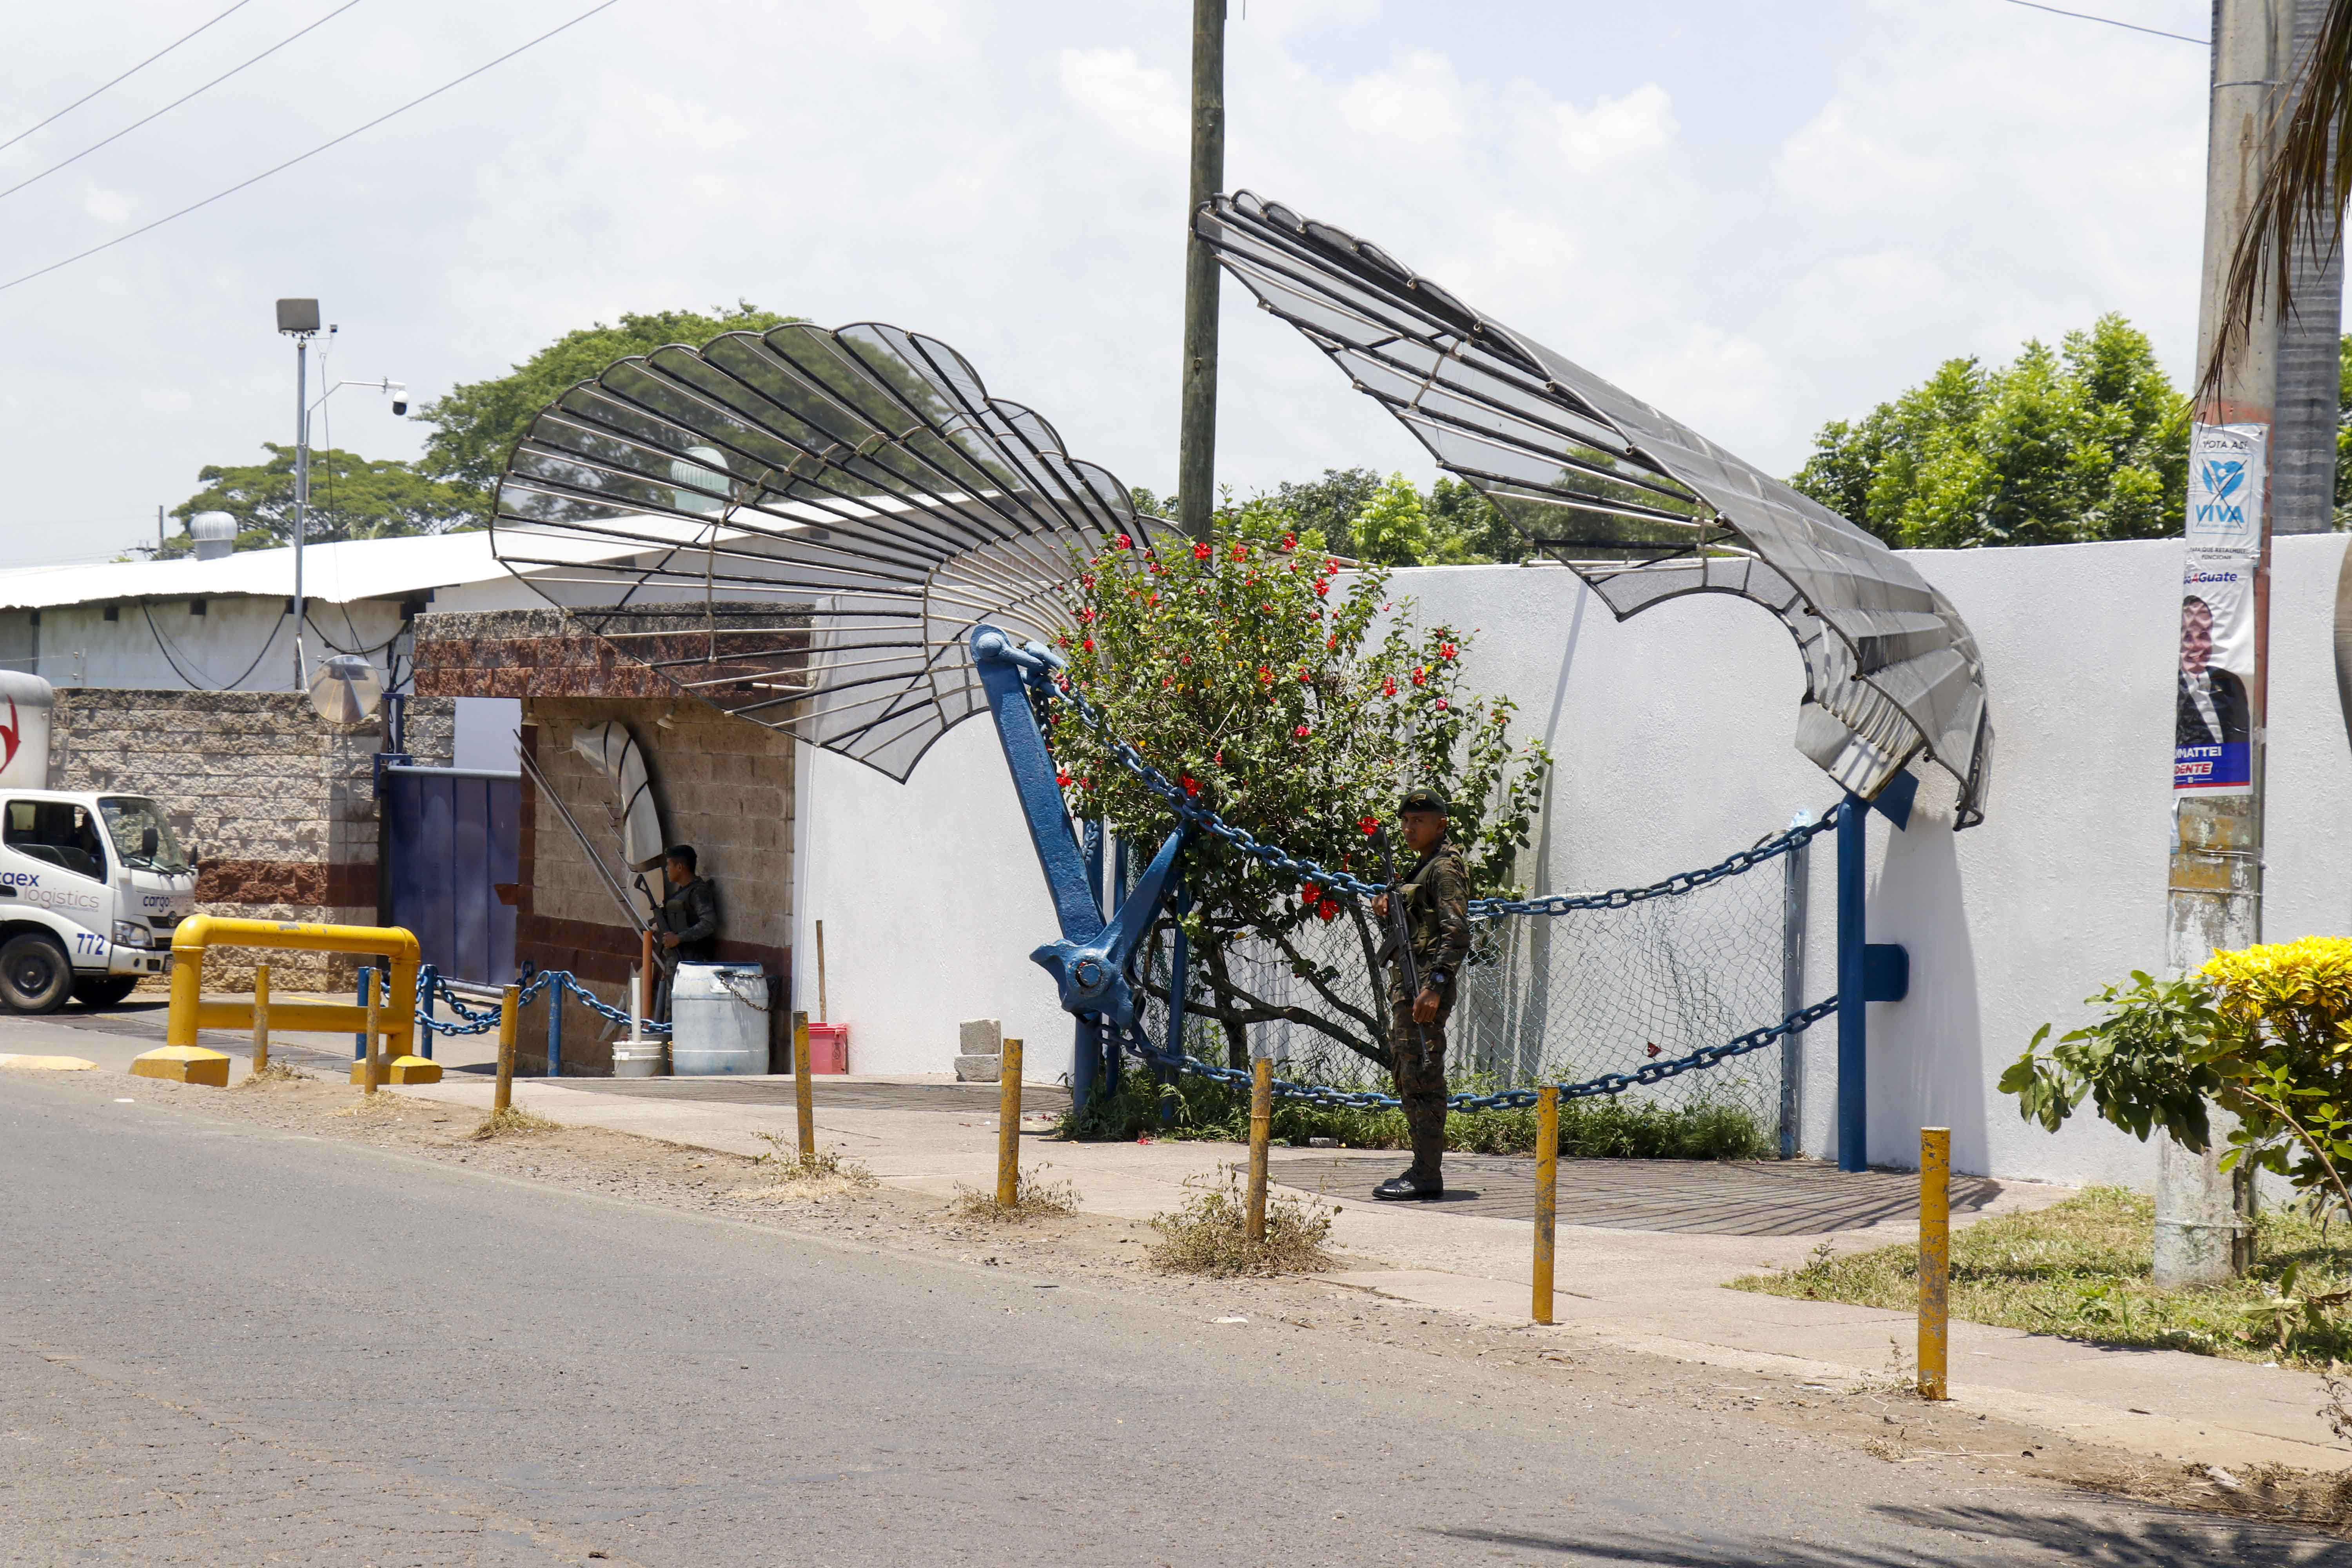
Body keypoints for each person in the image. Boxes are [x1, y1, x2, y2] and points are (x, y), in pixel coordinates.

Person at [1367, 786, 1472, 1201]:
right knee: (1409, 1073)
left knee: (1424, 1077)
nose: (1410, 828)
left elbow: (1458, 932)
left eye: (1419, 821)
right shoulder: (1421, 868)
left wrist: (1435, 986)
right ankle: (1421, 1168)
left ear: (1440, 824)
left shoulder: (1444, 869)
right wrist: (1387, 911)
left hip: (1425, 987)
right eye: (1406, 822)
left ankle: (1427, 1175)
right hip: (1412, 984)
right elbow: (1415, 931)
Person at [652, 844, 720, 1020]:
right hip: (678, 962)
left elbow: (709, 923)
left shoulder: (698, 891)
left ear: (680, 867)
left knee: (685, 1016)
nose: (667, 869)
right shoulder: (682, 892)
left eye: (669, 864)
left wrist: (679, 939)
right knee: (673, 1014)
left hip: (692, 963)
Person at [2176, 595, 2249, 751]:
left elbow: (2244, 738)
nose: (2197, 646)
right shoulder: (2174, 688)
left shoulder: (2230, 683)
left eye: (2203, 635)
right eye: (2188, 637)